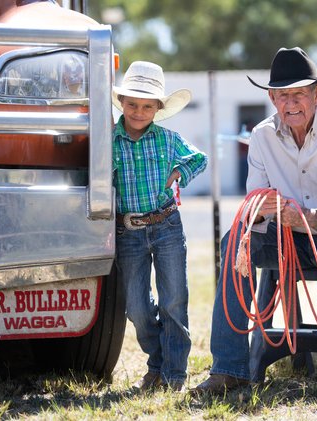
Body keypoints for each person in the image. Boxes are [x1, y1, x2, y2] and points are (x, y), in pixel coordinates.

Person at [193, 47, 317, 398]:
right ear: (271, 98)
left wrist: (314, 217)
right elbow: (253, 204)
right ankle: (228, 370)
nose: (290, 103)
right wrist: (262, 209)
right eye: (282, 95)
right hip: (283, 238)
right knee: (235, 240)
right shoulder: (261, 136)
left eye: (298, 94)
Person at [112, 61, 208, 391]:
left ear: (158, 108)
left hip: (166, 224)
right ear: (122, 102)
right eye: (133, 104)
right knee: (136, 308)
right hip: (129, 232)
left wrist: (179, 174)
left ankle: (173, 374)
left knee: (174, 300)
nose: (139, 112)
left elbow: (199, 158)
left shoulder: (168, 139)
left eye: (147, 106)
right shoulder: (109, 142)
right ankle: (158, 360)